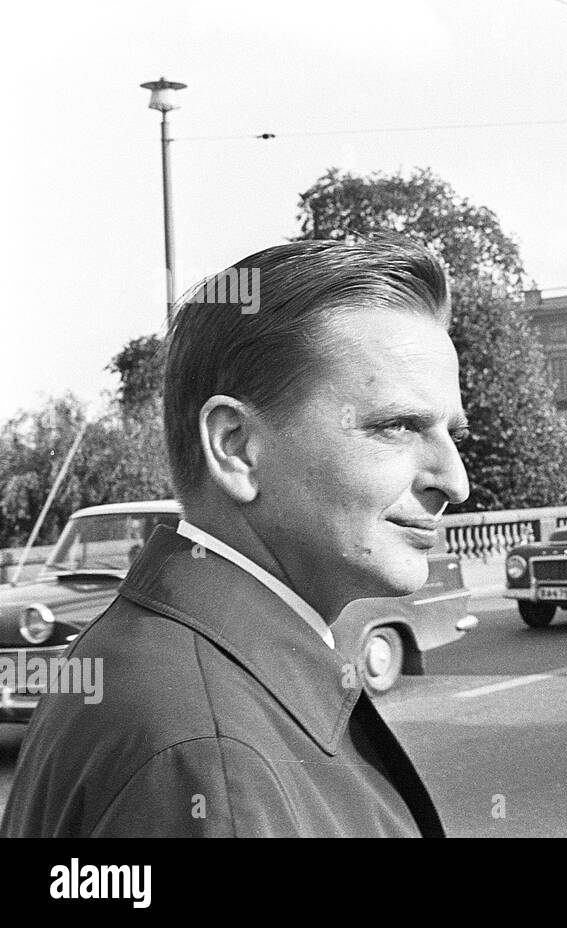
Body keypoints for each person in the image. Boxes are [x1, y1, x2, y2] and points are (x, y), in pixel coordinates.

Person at [1, 237, 469, 837]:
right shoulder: (217, 763)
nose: (454, 480)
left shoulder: (155, 667)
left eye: (451, 431)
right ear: (237, 448)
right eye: (396, 427)